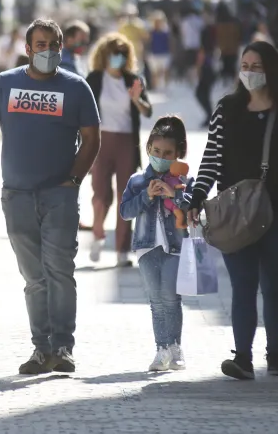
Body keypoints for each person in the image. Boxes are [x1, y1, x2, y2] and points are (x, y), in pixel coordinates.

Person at [0, 19, 101, 375]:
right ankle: (41, 349)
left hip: (60, 195)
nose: (48, 51)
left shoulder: (76, 88)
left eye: (54, 44)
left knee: (59, 270)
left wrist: (74, 179)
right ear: (28, 49)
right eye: (41, 45)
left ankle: (62, 348)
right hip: (17, 195)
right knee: (34, 276)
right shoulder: (4, 84)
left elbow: (92, 138)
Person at [188, 41, 278, 381]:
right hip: (234, 215)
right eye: (245, 65)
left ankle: (275, 354)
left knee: (274, 284)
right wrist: (197, 196)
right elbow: (211, 158)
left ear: (272, 69)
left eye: (257, 66)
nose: (249, 72)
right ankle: (243, 357)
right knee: (243, 284)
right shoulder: (227, 109)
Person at [119, 115, 191, 372]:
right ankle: (161, 349)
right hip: (146, 248)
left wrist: (176, 194)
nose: (161, 156)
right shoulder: (137, 181)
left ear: (178, 153)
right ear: (148, 148)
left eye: (168, 153)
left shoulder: (184, 182)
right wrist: (147, 196)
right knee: (155, 300)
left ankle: (175, 347)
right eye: (157, 150)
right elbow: (125, 212)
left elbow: (195, 209)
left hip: (175, 248)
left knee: (171, 297)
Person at [85, 32, 153, 266]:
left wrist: (136, 99)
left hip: (126, 142)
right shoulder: (94, 78)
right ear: (105, 55)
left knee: (127, 196)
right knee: (101, 195)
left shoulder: (132, 80)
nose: (120, 58)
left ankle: (123, 251)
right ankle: (97, 234)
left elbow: (147, 111)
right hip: (101, 142)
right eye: (115, 54)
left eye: (124, 54)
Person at [215, 4, 243, 81]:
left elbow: (218, 37)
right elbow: (239, 35)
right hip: (233, 49)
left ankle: (226, 80)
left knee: (225, 66)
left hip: (224, 49)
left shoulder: (218, 22)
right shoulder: (235, 21)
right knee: (232, 67)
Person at [147, 13, 173, 91]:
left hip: (165, 53)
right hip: (154, 54)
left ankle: (166, 87)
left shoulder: (166, 32)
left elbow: (170, 42)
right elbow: (148, 43)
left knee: (165, 71)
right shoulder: (151, 32)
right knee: (155, 73)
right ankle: (155, 87)